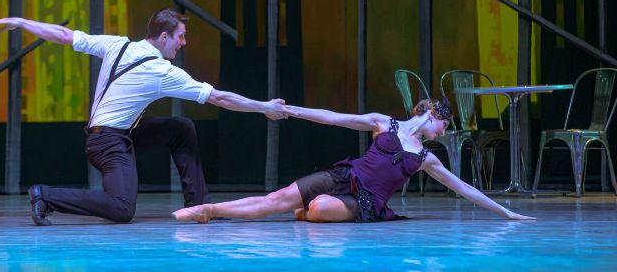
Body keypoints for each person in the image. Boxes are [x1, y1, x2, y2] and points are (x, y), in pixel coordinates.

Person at [0, 9, 287, 225]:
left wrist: (21, 22)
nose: (183, 43)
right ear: (164, 36)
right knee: (121, 209)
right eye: (181, 37)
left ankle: (199, 205)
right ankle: (45, 195)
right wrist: (264, 107)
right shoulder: (161, 71)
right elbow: (219, 98)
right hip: (107, 143)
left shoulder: (117, 44)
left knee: (181, 128)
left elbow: (64, 36)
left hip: (120, 134)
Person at [172, 97, 536, 223]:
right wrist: (290, 110)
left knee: (318, 210)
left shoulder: (427, 158)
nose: (445, 130)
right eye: (445, 123)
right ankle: (209, 210)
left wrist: (506, 213)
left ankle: (306, 209)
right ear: (432, 115)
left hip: (366, 202)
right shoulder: (383, 122)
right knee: (275, 200)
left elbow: (465, 189)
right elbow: (334, 118)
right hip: (343, 176)